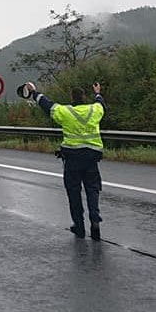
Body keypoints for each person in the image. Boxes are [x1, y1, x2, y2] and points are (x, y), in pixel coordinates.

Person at [22, 81, 106, 240]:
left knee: (74, 192)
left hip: (73, 159)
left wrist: (34, 92)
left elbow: (47, 104)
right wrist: (97, 92)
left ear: (71, 97)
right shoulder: (93, 110)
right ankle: (95, 218)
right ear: (84, 97)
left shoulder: (65, 111)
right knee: (92, 190)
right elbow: (100, 103)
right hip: (91, 158)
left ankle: (79, 226)